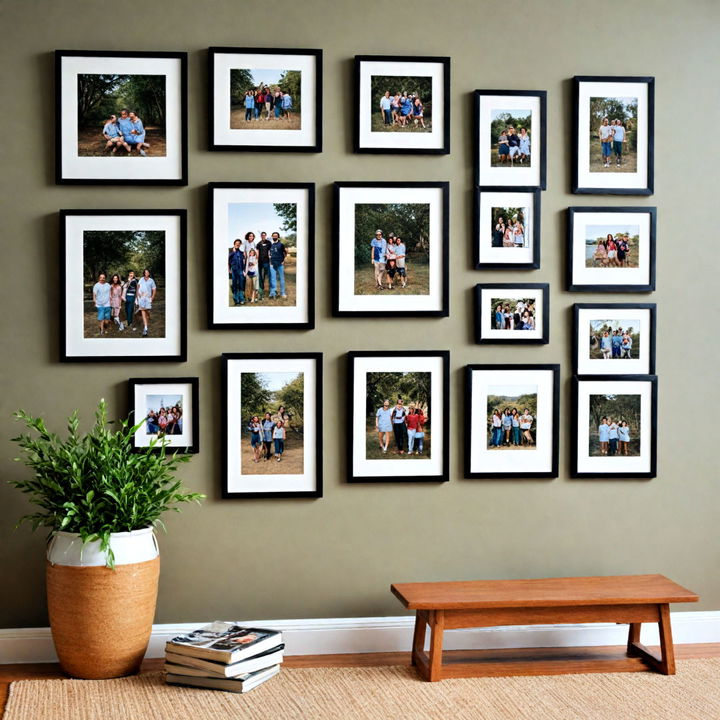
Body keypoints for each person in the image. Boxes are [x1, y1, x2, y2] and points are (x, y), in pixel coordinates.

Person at [137, 268, 156, 337]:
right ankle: (145, 328)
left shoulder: (151, 281)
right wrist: (137, 296)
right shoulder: (141, 279)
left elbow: (154, 289)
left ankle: (149, 314)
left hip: (148, 298)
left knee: (146, 311)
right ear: (144, 273)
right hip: (141, 298)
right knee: (143, 311)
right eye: (145, 272)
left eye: (147, 272)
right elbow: (138, 287)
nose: (146, 273)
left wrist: (152, 297)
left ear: (149, 273)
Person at [268, 231, 288, 299]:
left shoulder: (281, 245)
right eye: (273, 236)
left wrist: (283, 260)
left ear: (278, 237)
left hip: (280, 264)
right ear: (272, 237)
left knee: (282, 279)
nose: (275, 236)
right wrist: (270, 261)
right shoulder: (270, 245)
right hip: (272, 264)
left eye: (276, 235)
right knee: (273, 279)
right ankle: (273, 293)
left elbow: (285, 252)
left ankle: (283, 293)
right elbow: (269, 254)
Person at [92, 272, 111, 337]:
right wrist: (95, 302)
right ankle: (102, 330)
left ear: (105, 278)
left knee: (107, 320)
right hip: (99, 305)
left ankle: (104, 325)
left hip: (107, 304)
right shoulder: (96, 285)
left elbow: (110, 293)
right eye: (101, 277)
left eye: (103, 278)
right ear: (99, 278)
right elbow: (94, 295)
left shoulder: (108, 285)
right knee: (101, 319)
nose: (102, 279)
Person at [228, 238, 246, 306]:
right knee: (235, 285)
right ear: (234, 244)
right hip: (234, 270)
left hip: (241, 270)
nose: (237, 244)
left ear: (240, 244)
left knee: (241, 285)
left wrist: (244, 270)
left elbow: (243, 262)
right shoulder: (230, 251)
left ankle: (241, 299)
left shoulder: (241, 253)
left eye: (239, 243)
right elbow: (227, 261)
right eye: (236, 243)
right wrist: (229, 269)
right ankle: (236, 300)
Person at [256, 232, 272, 300]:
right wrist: (256, 260)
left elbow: (270, 251)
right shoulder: (258, 243)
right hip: (260, 263)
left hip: (267, 262)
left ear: (266, 236)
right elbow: (257, 252)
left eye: (264, 235)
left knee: (269, 276)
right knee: (260, 277)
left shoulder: (269, 243)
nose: (263, 236)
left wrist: (271, 259)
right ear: (260, 236)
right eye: (262, 235)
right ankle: (261, 291)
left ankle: (271, 291)